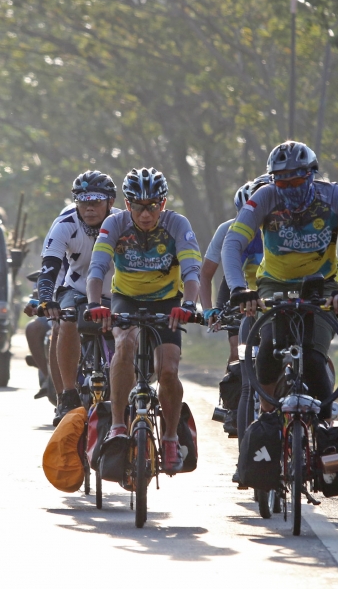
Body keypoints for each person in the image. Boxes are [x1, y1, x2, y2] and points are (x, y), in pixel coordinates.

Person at [223, 140, 338, 431]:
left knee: (312, 356)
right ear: (273, 182)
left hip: (322, 286)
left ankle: (325, 427)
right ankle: (268, 419)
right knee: (269, 348)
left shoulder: (333, 196)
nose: (290, 189)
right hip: (273, 284)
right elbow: (233, 243)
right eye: (282, 183)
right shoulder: (265, 197)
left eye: (297, 180)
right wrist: (238, 289)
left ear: (312, 175)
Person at [86, 167, 201, 474]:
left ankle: (170, 437)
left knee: (168, 369)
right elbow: (97, 269)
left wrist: (189, 304)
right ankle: (119, 425)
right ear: (127, 205)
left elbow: (192, 270)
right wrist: (95, 304)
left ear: (163, 204)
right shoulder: (115, 223)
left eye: (153, 206)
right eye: (139, 206)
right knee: (123, 344)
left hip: (168, 301)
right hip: (127, 297)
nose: (146, 214)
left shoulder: (178, 224)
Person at [38, 171, 119, 425]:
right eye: (83, 201)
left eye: (96, 201)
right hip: (76, 288)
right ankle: (67, 394)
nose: (89, 208)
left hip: (117, 291)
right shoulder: (64, 224)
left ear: (111, 202)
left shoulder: (125, 223)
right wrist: (45, 299)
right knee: (64, 320)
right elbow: (50, 268)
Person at [200, 175, 269, 362]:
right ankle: (235, 388)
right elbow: (205, 275)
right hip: (238, 287)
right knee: (237, 351)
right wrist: (208, 310)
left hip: (270, 288)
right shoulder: (226, 230)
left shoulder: (281, 229)